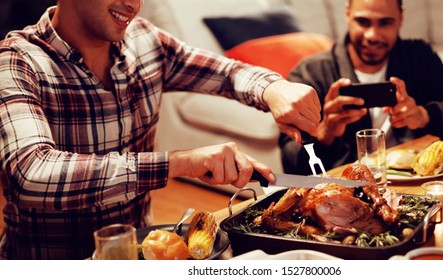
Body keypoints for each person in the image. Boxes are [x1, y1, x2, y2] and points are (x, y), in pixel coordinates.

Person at [0, 0, 321, 259]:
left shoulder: (143, 40)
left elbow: (226, 74)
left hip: (139, 255)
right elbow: (30, 175)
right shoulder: (16, 62)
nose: (134, 5)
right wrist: (179, 163)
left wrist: (273, 89)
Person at [280, 0, 443, 175]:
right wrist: (325, 133)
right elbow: (290, 163)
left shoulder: (418, 56)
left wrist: (424, 115)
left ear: (401, 18)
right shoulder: (310, 72)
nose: (372, 35)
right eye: (363, 21)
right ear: (347, 13)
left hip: (417, 180)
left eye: (385, 23)